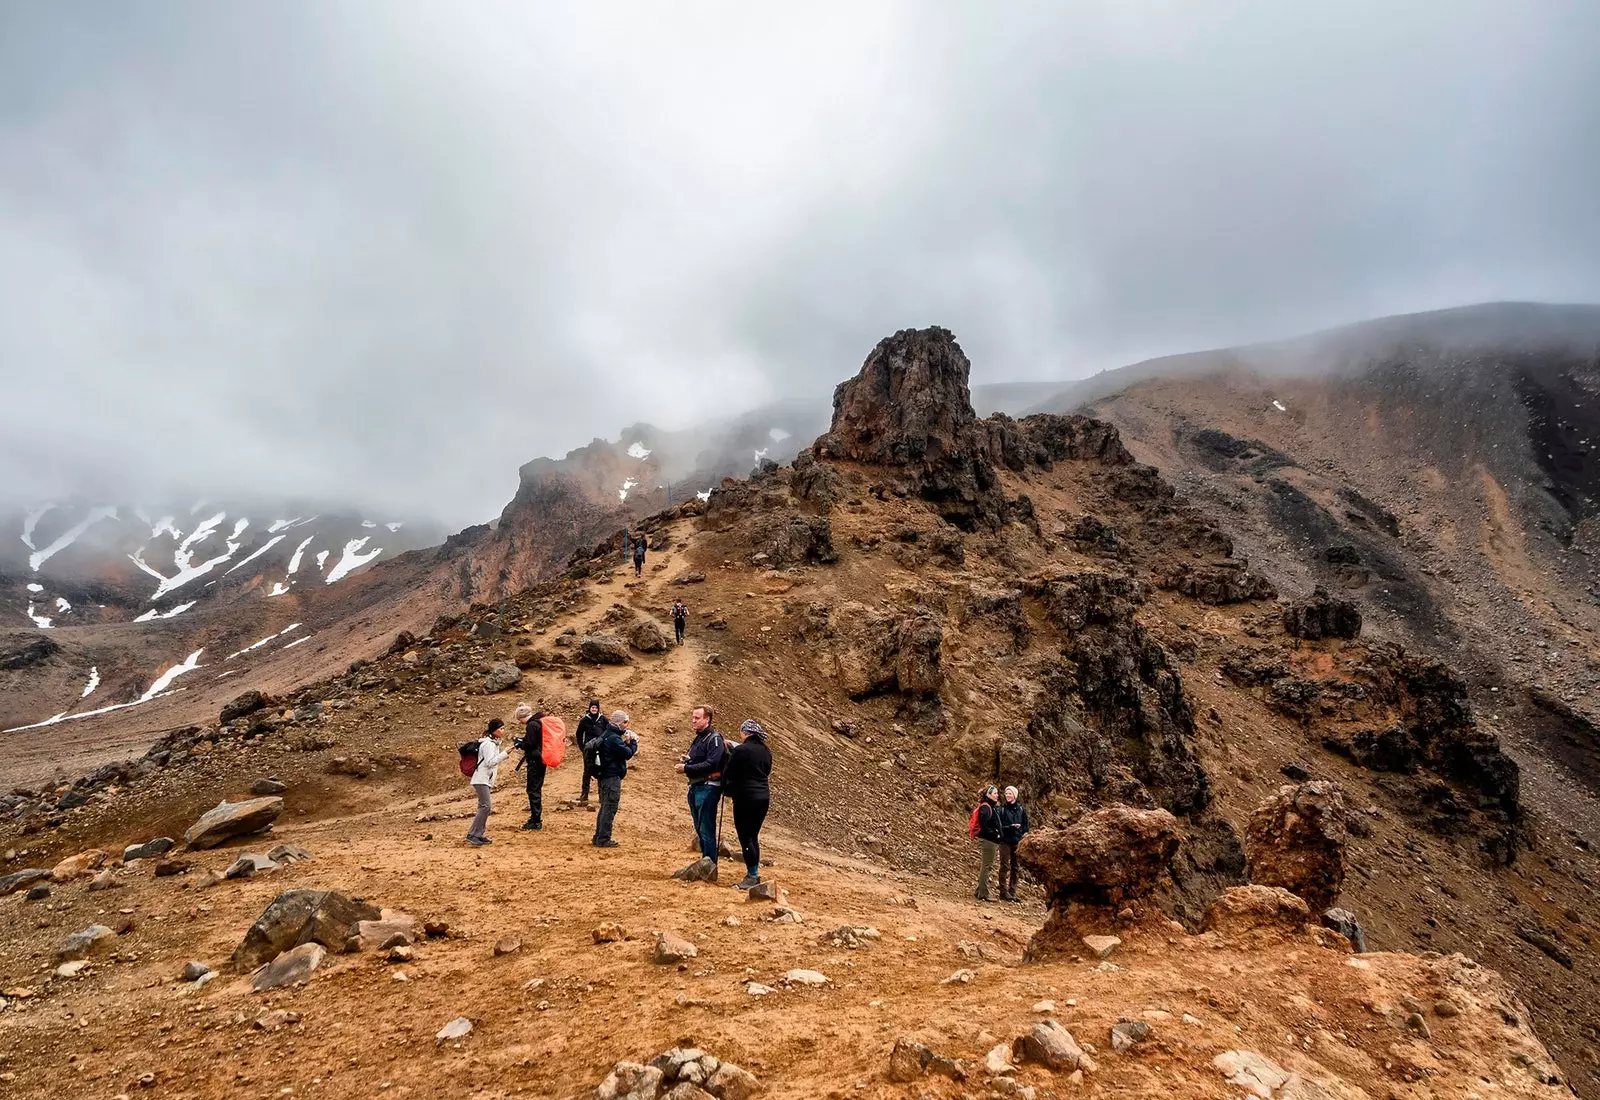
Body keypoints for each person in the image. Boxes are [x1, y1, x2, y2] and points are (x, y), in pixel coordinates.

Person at [722, 718, 772, 889]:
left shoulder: (741, 750)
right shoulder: (766, 751)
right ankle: (754, 872)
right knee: (753, 835)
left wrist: (725, 789)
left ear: (745, 733)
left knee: (745, 836)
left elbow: (730, 773)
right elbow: (767, 771)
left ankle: (752, 876)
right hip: (763, 797)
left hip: (744, 797)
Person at [676, 705, 727, 865]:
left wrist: (687, 768)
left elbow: (713, 763)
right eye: (693, 717)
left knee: (706, 829)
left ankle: (709, 865)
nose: (693, 721)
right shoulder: (699, 738)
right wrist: (688, 760)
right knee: (700, 827)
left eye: (697, 718)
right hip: (696, 786)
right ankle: (706, 861)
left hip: (708, 787)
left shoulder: (714, 739)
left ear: (707, 719)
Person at [591, 709, 639, 848]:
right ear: (618, 722)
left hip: (604, 777)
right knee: (610, 807)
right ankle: (603, 839)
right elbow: (627, 753)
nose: (626, 725)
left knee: (605, 807)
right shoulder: (613, 738)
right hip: (611, 778)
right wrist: (633, 742)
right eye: (625, 722)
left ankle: (599, 837)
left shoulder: (607, 734)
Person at [467, 718, 512, 847]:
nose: (503, 731)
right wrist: (505, 753)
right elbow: (489, 762)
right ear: (494, 730)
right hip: (482, 779)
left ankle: (478, 834)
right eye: (501, 728)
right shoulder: (489, 744)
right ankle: (473, 834)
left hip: (484, 779)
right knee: (485, 806)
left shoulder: (492, 743)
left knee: (484, 806)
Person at [512, 702, 546, 830]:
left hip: (535, 761)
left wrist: (520, 743)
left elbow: (530, 744)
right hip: (541, 759)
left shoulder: (531, 725)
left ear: (521, 717)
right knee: (536, 788)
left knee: (533, 789)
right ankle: (535, 818)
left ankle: (535, 821)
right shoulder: (538, 722)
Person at [996, 785, 1031, 902]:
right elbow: (999, 826)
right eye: (1006, 794)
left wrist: (1024, 838)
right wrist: (1010, 827)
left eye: (1010, 794)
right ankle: (1003, 891)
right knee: (1004, 866)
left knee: (1015, 867)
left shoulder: (1021, 810)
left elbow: (1026, 826)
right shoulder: (1002, 809)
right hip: (1005, 841)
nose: (1008, 796)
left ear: (1015, 795)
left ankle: (1012, 892)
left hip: (1017, 842)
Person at [972, 785, 1003, 901]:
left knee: (986, 866)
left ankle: (979, 890)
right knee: (986, 866)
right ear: (988, 795)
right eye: (995, 793)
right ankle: (983, 893)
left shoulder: (990, 806)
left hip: (990, 841)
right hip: (988, 841)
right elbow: (984, 826)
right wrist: (996, 834)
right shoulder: (986, 808)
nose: (997, 795)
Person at [574, 699, 604, 804]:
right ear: (589, 708)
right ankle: (584, 795)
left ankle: (602, 796)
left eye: (596, 707)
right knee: (587, 772)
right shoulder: (584, 720)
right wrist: (582, 747)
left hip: (601, 750)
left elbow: (607, 732)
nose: (594, 709)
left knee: (601, 772)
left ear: (598, 708)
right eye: (592, 707)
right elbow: (578, 734)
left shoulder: (603, 719)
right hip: (588, 749)